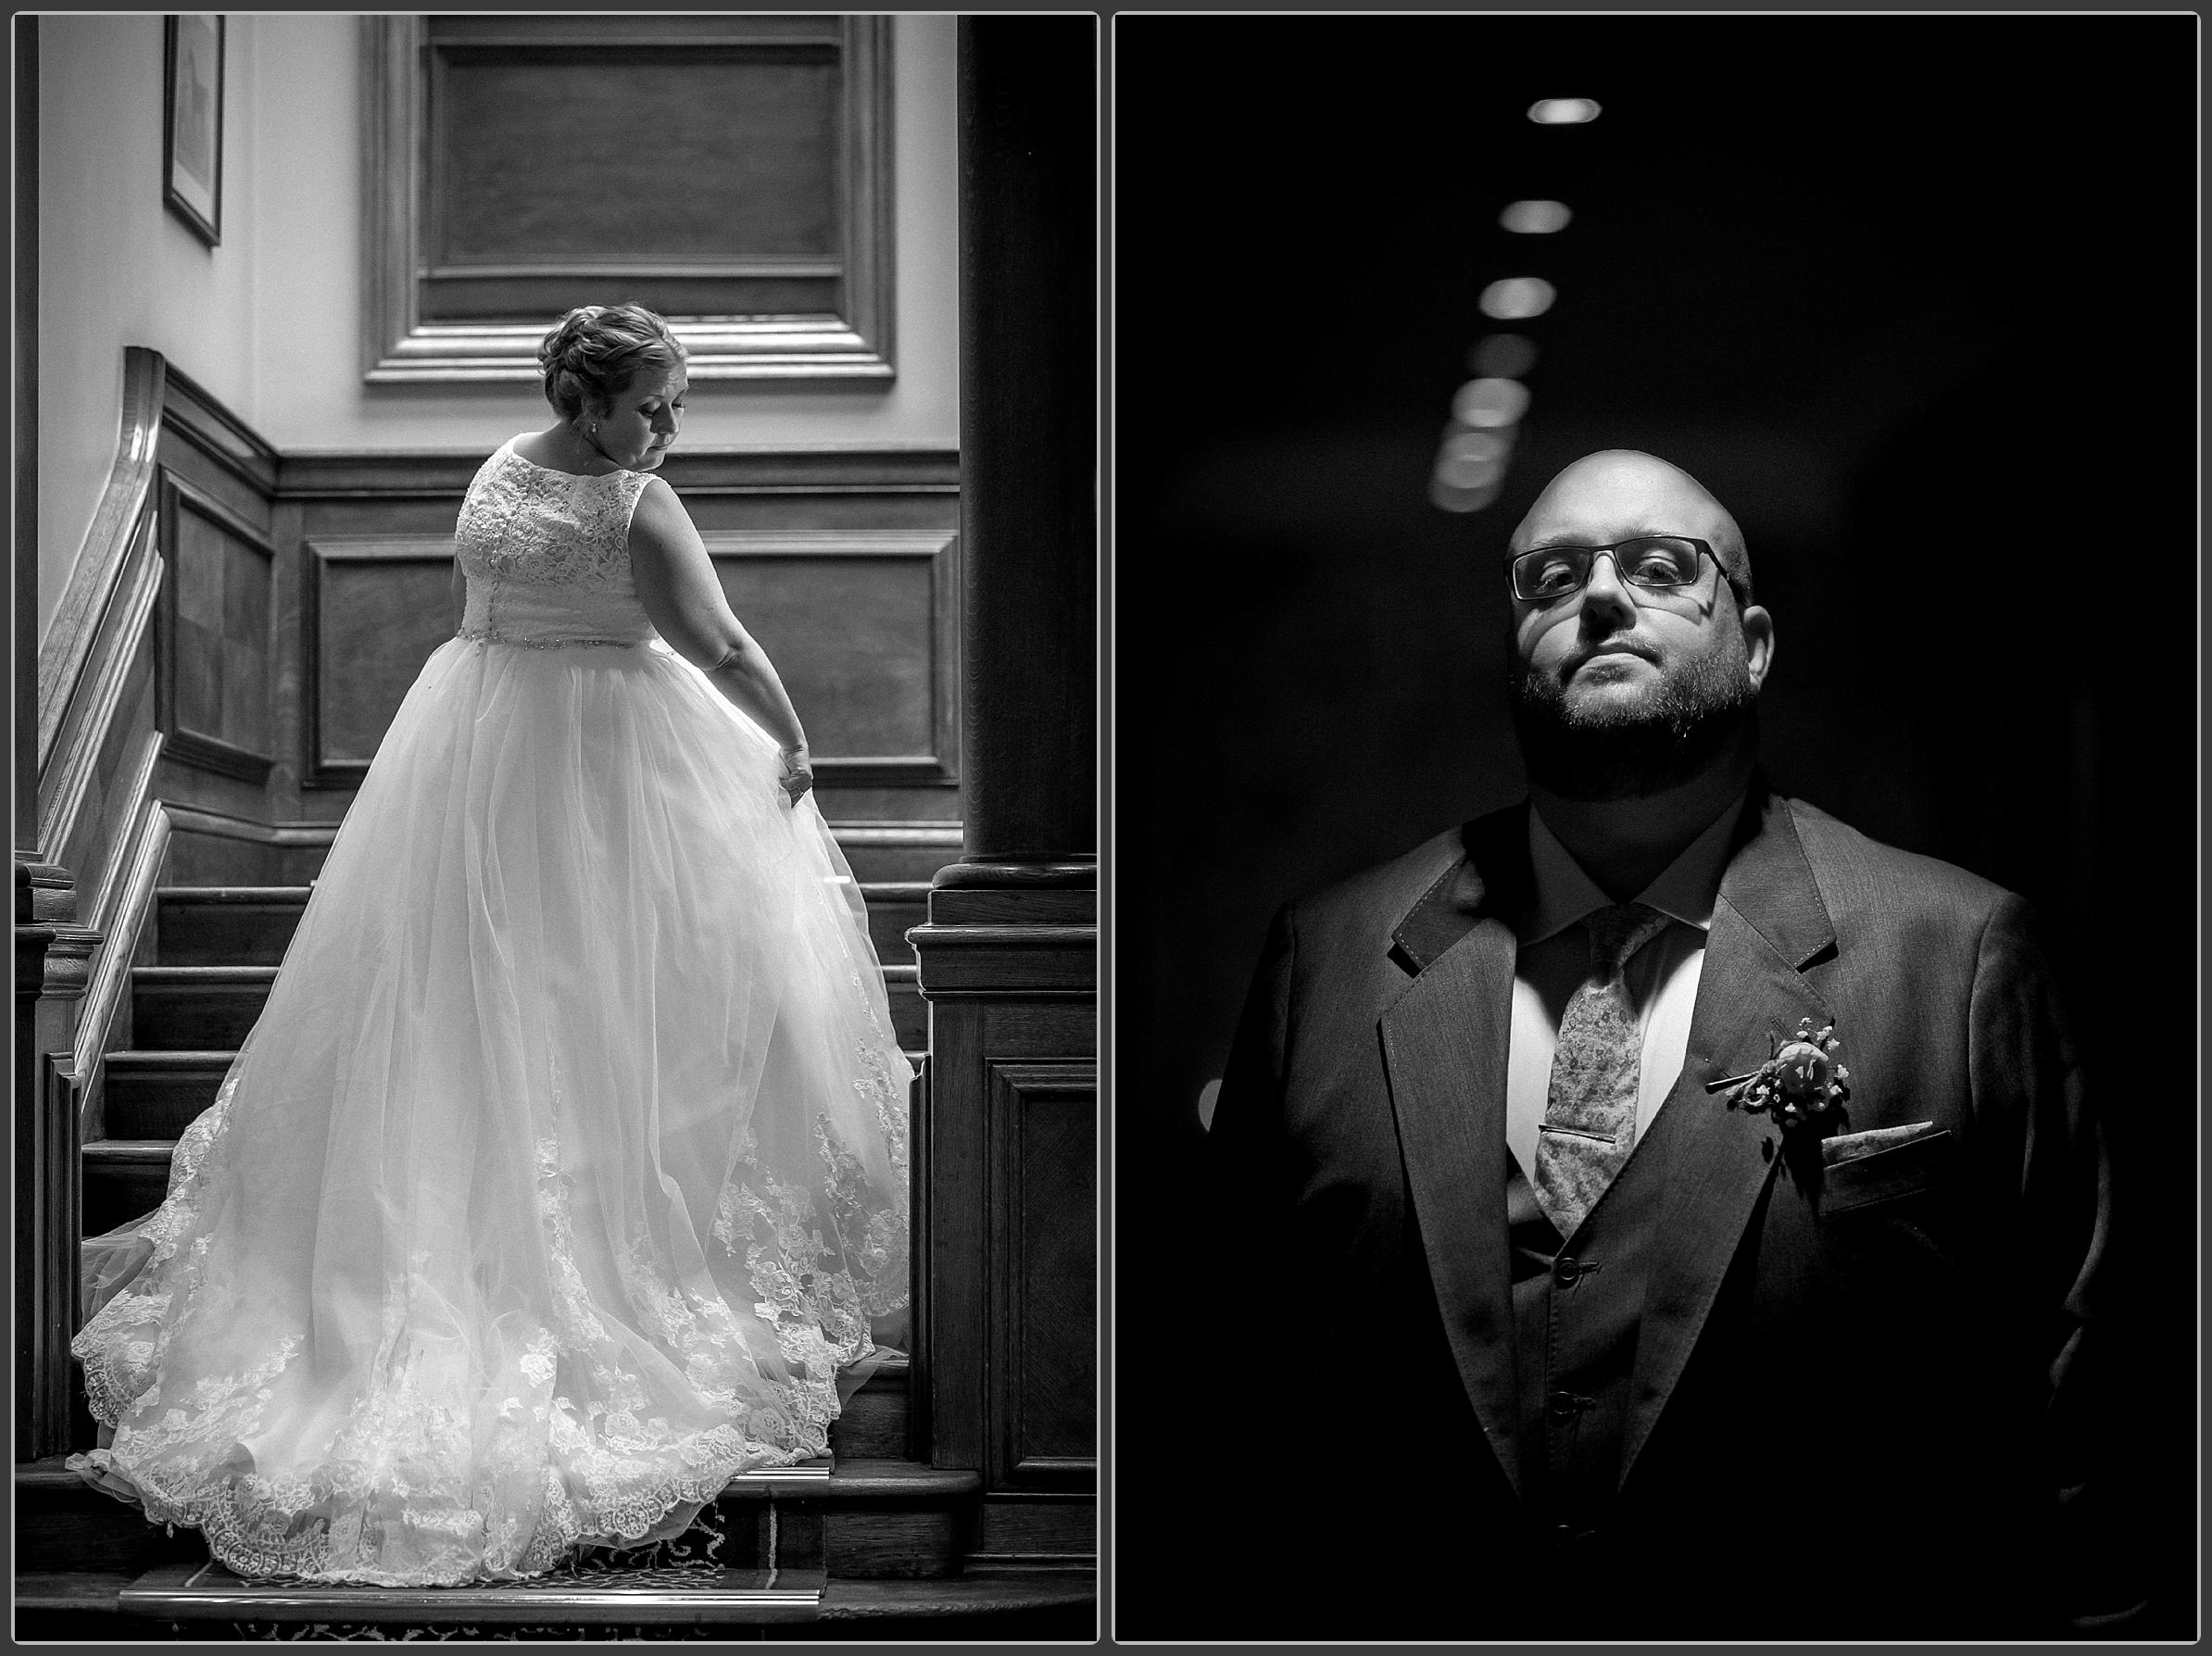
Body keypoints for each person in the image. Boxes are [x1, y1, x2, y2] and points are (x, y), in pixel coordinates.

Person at [1200, 450, 2128, 1638]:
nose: (1597, 598)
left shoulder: (1959, 950)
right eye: (1549, 576)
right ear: (1510, 637)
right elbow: (1228, 1396)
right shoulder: (1327, 959)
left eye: (1657, 568)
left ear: (1753, 642)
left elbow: (2084, 1395)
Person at [68, 305, 912, 1587]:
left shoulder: (497, 473)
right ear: (593, 405)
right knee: (628, 997)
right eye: (655, 405)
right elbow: (723, 643)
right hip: (612, 762)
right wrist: (795, 743)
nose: (669, 428)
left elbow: (490, 611)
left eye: (673, 406)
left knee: (487, 995)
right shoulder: (635, 506)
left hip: (476, 746)